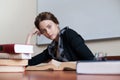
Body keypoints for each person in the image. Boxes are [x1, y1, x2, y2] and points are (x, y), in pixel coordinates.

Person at [26, 12, 95, 66]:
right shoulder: (51, 49)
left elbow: (91, 60)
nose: (48, 32)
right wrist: (29, 36)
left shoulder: (69, 34)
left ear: (56, 23)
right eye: (43, 31)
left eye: (49, 26)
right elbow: (28, 62)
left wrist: (59, 64)